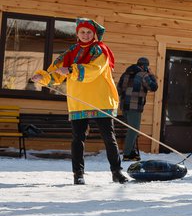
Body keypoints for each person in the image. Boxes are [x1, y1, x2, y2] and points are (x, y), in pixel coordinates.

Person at [31, 18, 129, 185]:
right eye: (82, 32)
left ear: (94, 34)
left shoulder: (100, 50)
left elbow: (94, 70)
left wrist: (70, 70)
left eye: (89, 32)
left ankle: (117, 171)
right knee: (78, 138)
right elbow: (56, 72)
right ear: (77, 33)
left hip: (101, 99)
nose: (85, 35)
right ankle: (78, 174)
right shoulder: (70, 52)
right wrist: (43, 77)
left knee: (108, 137)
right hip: (78, 101)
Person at [116, 57, 159, 161]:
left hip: (124, 106)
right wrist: (151, 75)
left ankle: (131, 153)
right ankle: (127, 154)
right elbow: (153, 87)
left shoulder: (125, 73)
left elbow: (118, 89)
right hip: (134, 107)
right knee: (133, 130)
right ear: (144, 66)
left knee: (131, 129)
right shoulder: (143, 75)